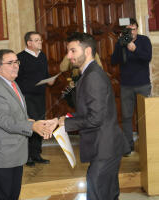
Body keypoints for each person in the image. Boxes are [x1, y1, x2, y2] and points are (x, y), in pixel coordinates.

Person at [49, 32, 128, 200]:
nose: (68, 56)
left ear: (87, 51)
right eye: (68, 51)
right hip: (105, 146)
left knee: (98, 194)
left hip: (104, 147)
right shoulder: (89, 73)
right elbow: (91, 111)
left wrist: (67, 124)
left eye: (73, 51)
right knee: (108, 194)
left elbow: (96, 118)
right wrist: (65, 119)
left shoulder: (93, 76)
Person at [0, 49, 53, 200]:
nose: (15, 66)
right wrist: (31, 127)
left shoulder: (12, 83)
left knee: (13, 196)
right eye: (10, 63)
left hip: (15, 154)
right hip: (2, 157)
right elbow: (4, 120)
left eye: (17, 62)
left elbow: (18, 115)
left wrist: (35, 123)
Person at [111, 18, 152, 155]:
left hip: (143, 85)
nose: (131, 32)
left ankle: (146, 145)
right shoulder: (121, 42)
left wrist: (135, 50)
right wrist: (119, 45)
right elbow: (113, 61)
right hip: (126, 86)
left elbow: (147, 57)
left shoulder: (144, 40)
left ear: (137, 29)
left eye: (133, 29)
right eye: (128, 29)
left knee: (144, 116)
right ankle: (128, 146)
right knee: (127, 117)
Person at [15, 31, 55, 166]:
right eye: (37, 40)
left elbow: (45, 74)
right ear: (29, 43)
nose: (40, 42)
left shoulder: (42, 56)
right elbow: (15, 79)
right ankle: (27, 157)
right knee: (30, 124)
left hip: (40, 96)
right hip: (27, 97)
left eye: (40, 40)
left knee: (41, 123)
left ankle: (37, 154)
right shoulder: (20, 58)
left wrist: (49, 80)